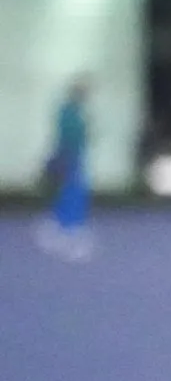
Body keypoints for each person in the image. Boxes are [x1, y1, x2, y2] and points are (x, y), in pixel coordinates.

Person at [35, 78, 94, 263]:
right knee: (72, 193)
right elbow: (72, 136)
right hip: (70, 156)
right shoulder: (70, 113)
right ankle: (68, 230)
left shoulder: (71, 111)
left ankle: (65, 227)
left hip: (72, 156)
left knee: (73, 193)